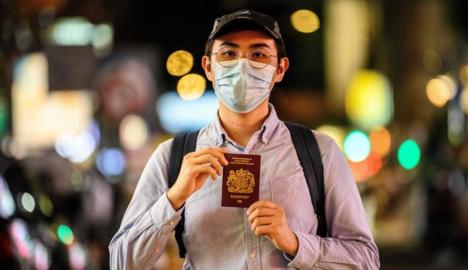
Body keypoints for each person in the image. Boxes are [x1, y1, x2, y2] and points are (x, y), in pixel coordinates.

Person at [109, 9, 380, 270]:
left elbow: (365, 260)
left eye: (259, 54)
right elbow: (122, 261)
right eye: (228, 53)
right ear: (208, 67)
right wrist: (174, 198)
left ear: (280, 69)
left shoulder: (318, 152)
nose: (242, 65)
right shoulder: (174, 157)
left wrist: (296, 243)